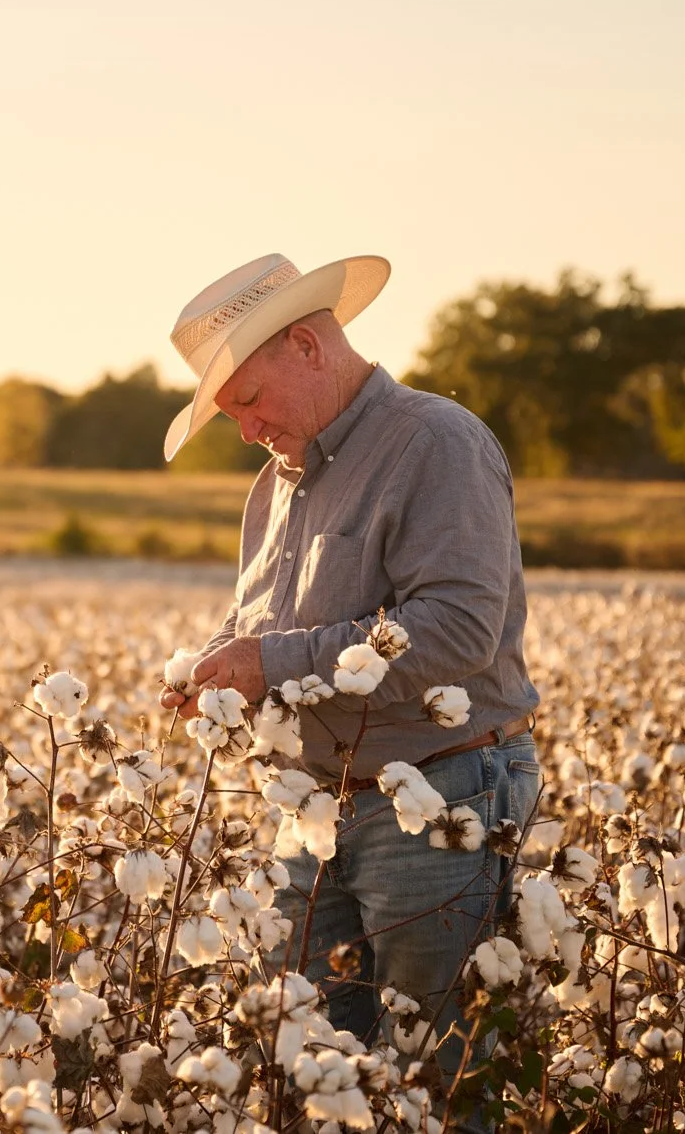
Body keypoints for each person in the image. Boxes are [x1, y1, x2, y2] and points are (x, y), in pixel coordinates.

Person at [158, 252, 542, 1082]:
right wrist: (219, 665)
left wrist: (271, 661)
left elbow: (457, 629)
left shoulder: (436, 442)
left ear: (306, 344)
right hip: (314, 812)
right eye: (229, 414)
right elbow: (264, 620)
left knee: (438, 1078)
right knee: (311, 1072)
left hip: (440, 800)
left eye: (248, 401)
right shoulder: (275, 485)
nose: (247, 430)